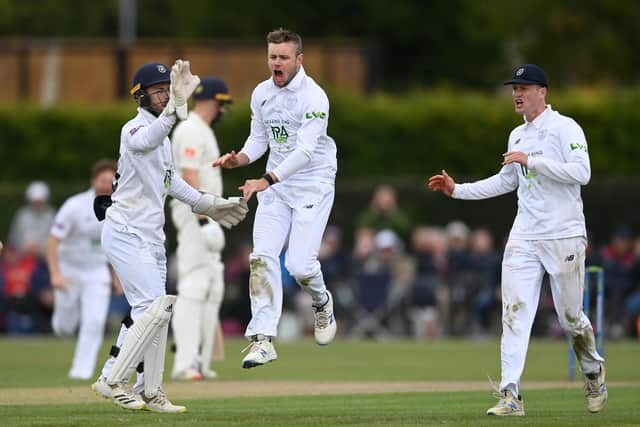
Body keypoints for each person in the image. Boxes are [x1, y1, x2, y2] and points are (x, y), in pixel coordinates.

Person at [428, 64, 607, 416]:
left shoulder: (565, 127)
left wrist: (534, 161)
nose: (517, 93)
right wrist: (457, 190)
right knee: (514, 313)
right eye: (514, 88)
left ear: (543, 91)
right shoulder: (517, 135)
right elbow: (506, 181)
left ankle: (593, 371)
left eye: (524, 87)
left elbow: (582, 173)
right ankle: (510, 395)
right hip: (524, 235)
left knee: (571, 318)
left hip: (564, 234)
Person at [89, 60, 248, 413]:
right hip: (125, 230)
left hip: (150, 236)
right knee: (152, 307)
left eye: (167, 89)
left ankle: (151, 389)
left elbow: (172, 182)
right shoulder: (133, 130)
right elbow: (151, 136)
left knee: (158, 311)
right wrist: (175, 109)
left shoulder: (162, 137)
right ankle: (113, 377)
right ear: (140, 96)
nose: (163, 95)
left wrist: (213, 205)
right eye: (157, 91)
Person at [213, 28, 337, 369]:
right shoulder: (262, 93)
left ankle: (322, 302)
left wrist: (267, 178)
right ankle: (263, 339)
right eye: (272, 57)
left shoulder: (315, 97)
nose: (276, 63)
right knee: (262, 258)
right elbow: (258, 142)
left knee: (298, 266)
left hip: (313, 183)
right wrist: (238, 159)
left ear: (299, 59)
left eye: (283, 57)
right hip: (276, 187)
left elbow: (307, 151)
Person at [170, 77, 233, 381]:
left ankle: (201, 361)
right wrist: (204, 219)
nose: (224, 110)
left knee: (213, 288)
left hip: (209, 216)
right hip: (196, 217)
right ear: (214, 101)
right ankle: (184, 363)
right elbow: (188, 174)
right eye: (223, 104)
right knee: (194, 285)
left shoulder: (202, 130)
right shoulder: (190, 129)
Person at [46, 159, 121, 379]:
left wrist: (118, 278)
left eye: (111, 180)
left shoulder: (120, 207)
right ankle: (62, 322)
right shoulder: (74, 206)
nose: (107, 184)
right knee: (64, 328)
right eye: (103, 180)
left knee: (95, 321)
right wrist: (55, 274)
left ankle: (81, 372)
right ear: (93, 181)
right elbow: (52, 240)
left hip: (97, 271)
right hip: (69, 270)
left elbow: (116, 247)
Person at [8, 181, 56, 257]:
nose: (37, 204)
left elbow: (55, 239)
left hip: (46, 259)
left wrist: (40, 248)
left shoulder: (52, 215)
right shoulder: (22, 215)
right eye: (35, 201)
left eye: (40, 201)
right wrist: (25, 247)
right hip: (23, 259)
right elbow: (14, 238)